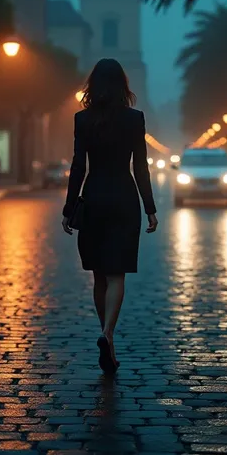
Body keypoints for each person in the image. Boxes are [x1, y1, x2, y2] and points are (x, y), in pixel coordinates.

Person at [62, 58, 158, 374]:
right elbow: (140, 167)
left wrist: (69, 208)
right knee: (117, 274)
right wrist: (150, 208)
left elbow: (78, 167)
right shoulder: (135, 119)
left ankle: (107, 336)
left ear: (92, 85)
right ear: (123, 86)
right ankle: (108, 335)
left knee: (99, 275)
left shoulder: (82, 120)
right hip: (124, 198)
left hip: (94, 197)